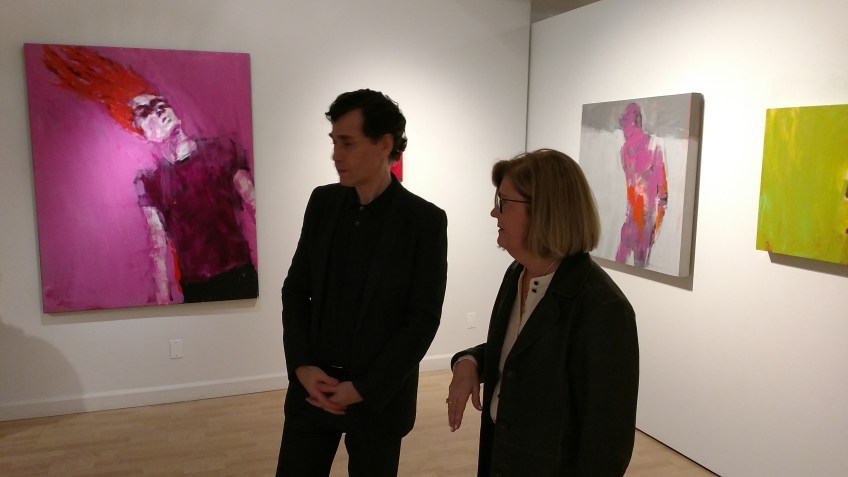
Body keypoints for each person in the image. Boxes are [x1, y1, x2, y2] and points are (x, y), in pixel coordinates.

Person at [276, 89, 448, 476]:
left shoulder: (424, 221)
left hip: (378, 402)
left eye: (347, 143)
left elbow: (422, 319)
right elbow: (296, 289)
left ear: (385, 144)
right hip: (313, 390)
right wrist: (301, 366)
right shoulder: (322, 203)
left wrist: (365, 388)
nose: (336, 154)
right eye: (334, 141)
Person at [447, 149, 639, 476]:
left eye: (504, 202)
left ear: (544, 211)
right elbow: (522, 354)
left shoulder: (603, 308)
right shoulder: (518, 273)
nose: (494, 212)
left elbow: (607, 444)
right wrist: (471, 361)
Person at [41, 45, 257, 304]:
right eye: (146, 113)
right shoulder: (150, 182)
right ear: (139, 131)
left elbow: (255, 205)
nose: (159, 112)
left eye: (159, 104)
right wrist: (163, 304)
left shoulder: (222, 150)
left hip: (242, 279)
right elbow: (158, 247)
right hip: (197, 291)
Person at [615, 102, 668, 268]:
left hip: (645, 221)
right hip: (631, 219)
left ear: (635, 121)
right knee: (620, 262)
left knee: (638, 267)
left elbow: (663, 195)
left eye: (625, 120)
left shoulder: (653, 147)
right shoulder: (624, 150)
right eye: (622, 121)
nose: (622, 125)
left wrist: (655, 226)